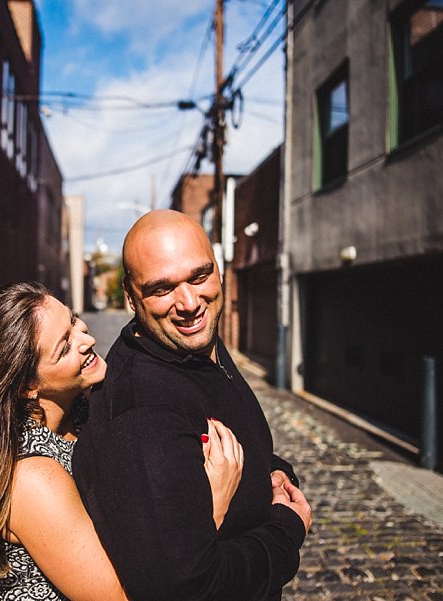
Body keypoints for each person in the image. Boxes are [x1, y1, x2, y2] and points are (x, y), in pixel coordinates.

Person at [0, 281, 247, 601]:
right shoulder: (32, 479)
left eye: (73, 321)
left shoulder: (85, 407)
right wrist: (210, 508)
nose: (85, 339)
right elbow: (117, 597)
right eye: (64, 347)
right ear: (27, 386)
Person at [73, 210, 313, 601]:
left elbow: (240, 431)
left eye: (199, 276)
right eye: (162, 289)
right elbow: (187, 588)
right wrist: (288, 528)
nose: (189, 303)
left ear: (217, 270)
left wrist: (270, 471)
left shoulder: (198, 346)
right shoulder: (142, 412)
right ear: (132, 296)